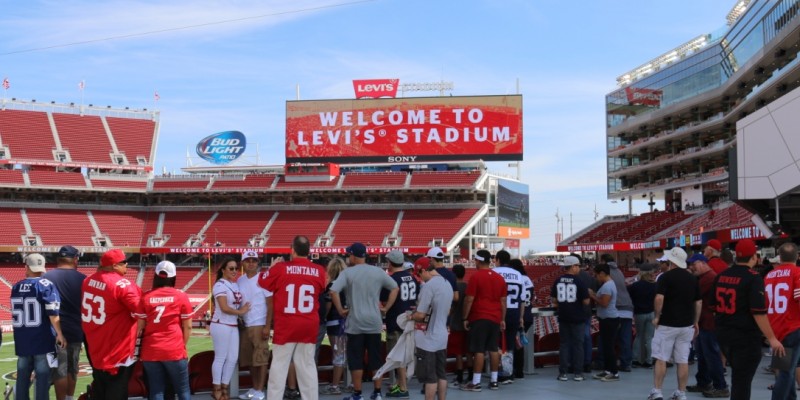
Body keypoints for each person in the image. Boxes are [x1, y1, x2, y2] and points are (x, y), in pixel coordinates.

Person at [713, 239, 784, 400]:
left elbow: (713, 308)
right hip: (744, 337)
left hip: (724, 334)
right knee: (742, 382)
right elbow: (758, 312)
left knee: (738, 379)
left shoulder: (721, 275)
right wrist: (772, 339)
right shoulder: (753, 278)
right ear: (754, 257)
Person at [260, 236, 327, 400]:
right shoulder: (319, 271)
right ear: (309, 251)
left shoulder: (281, 268)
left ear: (293, 250)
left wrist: (271, 267)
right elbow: (322, 287)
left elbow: (262, 282)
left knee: (279, 366)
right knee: (307, 366)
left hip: (286, 324)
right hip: (309, 324)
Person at [330, 242, 399, 400]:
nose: (348, 257)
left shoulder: (348, 273)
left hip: (355, 322)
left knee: (356, 360)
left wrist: (341, 310)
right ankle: (377, 392)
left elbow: (333, 291)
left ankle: (358, 393)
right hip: (374, 322)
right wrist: (386, 308)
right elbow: (395, 288)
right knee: (376, 359)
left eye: (349, 255)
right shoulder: (378, 271)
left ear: (354, 256)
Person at [81, 248, 142, 400]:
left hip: (96, 347)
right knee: (117, 391)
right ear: (115, 265)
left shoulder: (88, 280)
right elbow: (142, 312)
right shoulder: (122, 285)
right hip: (117, 350)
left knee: (100, 389)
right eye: (124, 262)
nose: (127, 265)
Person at [646, 247, 701, 400]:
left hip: (667, 323)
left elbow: (659, 298)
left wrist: (657, 316)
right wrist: (695, 321)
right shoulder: (693, 278)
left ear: (671, 261)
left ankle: (657, 391)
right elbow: (698, 302)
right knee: (682, 360)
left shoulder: (665, 277)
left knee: (661, 358)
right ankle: (681, 392)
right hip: (686, 324)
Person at [135, 260, 193, 400]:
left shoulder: (146, 296)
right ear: (173, 277)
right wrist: (181, 344)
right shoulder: (180, 296)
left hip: (151, 349)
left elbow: (140, 327)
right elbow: (188, 326)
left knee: (156, 391)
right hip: (174, 349)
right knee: (183, 391)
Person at [12, 253, 66, 400]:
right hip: (42, 341)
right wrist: (60, 333)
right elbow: (53, 313)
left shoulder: (16, 287)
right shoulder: (46, 286)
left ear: (27, 267)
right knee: (42, 379)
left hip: (22, 342)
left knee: (22, 378)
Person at [43, 245, 86, 400]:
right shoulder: (83, 279)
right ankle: (69, 398)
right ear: (75, 260)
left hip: (53, 331)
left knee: (59, 369)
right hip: (75, 329)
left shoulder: (46, 277)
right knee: (72, 369)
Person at [461, 249, 507, 391]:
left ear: (478, 261)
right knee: (493, 349)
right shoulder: (499, 278)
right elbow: (503, 301)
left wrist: (465, 317)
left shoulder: (476, 277)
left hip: (480, 316)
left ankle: (476, 382)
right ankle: (494, 381)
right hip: (495, 317)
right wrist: (502, 319)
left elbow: (469, 299)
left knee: (479, 350)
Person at [685, 254, 728, 398]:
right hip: (704, 322)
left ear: (703, 263)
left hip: (709, 322)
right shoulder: (705, 278)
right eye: (689, 265)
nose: (691, 267)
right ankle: (704, 382)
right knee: (703, 355)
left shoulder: (708, 278)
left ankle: (720, 386)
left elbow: (692, 295)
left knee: (711, 355)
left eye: (693, 264)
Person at [411, 257, 454, 400]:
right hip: (442, 335)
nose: (419, 278)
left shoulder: (429, 286)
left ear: (423, 270)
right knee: (441, 374)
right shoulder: (446, 283)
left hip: (427, 338)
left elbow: (421, 315)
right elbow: (448, 311)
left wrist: (411, 316)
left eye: (419, 274)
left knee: (430, 377)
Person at [210, 257, 251, 400]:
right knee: (221, 357)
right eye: (231, 268)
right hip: (221, 324)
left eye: (236, 268)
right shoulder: (219, 285)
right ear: (223, 270)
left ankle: (224, 387)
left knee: (233, 359)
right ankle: (216, 389)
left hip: (233, 325)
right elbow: (224, 307)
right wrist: (241, 312)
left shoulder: (234, 285)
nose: (235, 271)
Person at [764, 242, 800, 400]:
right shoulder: (797, 273)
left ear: (780, 256)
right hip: (793, 327)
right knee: (786, 372)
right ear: (797, 256)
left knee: (787, 369)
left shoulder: (769, 275)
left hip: (776, 328)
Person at [381, 250, 416, 399]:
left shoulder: (391, 279)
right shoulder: (412, 278)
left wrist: (385, 309)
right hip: (409, 320)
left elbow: (383, 299)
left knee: (398, 356)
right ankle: (401, 384)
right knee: (405, 354)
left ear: (390, 263)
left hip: (396, 321)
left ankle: (403, 387)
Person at [237, 251, 271, 400]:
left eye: (254, 260)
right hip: (245, 324)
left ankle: (260, 389)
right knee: (250, 360)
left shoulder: (263, 279)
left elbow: (271, 304)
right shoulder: (240, 280)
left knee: (261, 359)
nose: (251, 263)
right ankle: (254, 387)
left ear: (258, 263)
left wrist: (267, 326)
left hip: (259, 323)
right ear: (243, 263)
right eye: (248, 260)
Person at [493, 250, 531, 384]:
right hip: (514, 311)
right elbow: (522, 299)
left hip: (498, 310)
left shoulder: (495, 272)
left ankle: (498, 373)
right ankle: (508, 373)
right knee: (510, 344)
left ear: (497, 259)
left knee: (496, 343)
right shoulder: (518, 275)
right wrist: (521, 317)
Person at [550, 255, 589, 382]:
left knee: (564, 345)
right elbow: (586, 301)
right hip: (577, 317)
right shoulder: (579, 281)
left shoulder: (558, 280)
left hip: (563, 316)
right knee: (578, 345)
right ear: (573, 266)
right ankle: (578, 373)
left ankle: (563, 373)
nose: (579, 268)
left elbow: (554, 301)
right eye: (577, 266)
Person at [599, 253, 634, 372]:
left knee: (608, 340)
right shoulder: (619, 271)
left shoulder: (607, 273)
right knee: (625, 338)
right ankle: (626, 363)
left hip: (616, 309)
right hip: (628, 307)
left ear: (603, 262)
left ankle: (605, 363)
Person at [320, 257, 349, 395]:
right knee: (344, 354)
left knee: (338, 354)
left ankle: (335, 385)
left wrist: (323, 317)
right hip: (348, 321)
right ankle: (346, 382)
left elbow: (328, 305)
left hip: (335, 322)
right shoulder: (348, 284)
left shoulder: (332, 285)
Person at [589, 263, 619, 382]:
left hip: (609, 319)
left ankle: (614, 372)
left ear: (602, 274)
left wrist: (592, 296)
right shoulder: (608, 285)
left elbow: (604, 303)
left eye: (596, 275)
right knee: (606, 346)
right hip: (607, 318)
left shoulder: (607, 286)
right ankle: (608, 370)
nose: (596, 278)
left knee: (609, 346)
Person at [628, 263, 656, 369]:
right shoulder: (655, 285)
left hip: (639, 313)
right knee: (649, 338)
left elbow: (630, 298)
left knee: (639, 336)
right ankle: (649, 361)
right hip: (652, 313)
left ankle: (636, 360)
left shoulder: (635, 286)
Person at [508, 258, 533, 379]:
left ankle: (511, 370)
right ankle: (520, 371)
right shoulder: (528, 279)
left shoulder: (516, 278)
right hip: (528, 314)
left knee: (512, 344)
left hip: (518, 314)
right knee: (519, 345)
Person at [447, 264, 470, 387]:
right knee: (469, 351)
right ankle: (471, 375)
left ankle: (460, 376)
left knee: (458, 353)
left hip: (456, 323)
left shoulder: (453, 288)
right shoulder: (468, 286)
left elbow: (451, 308)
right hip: (468, 323)